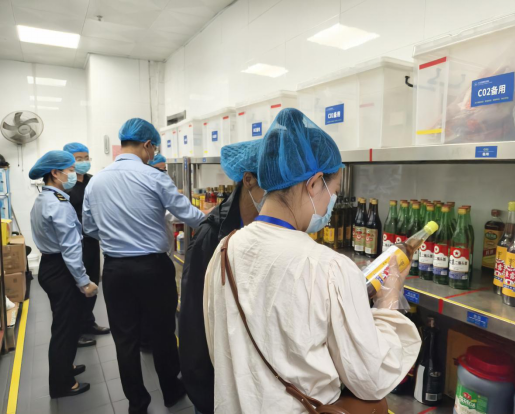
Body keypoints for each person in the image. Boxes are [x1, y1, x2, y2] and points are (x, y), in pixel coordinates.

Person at [203, 109, 421, 413]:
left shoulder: (224, 251)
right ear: (315, 183)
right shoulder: (329, 267)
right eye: (334, 191)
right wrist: (389, 298)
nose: (332, 202)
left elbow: (222, 351)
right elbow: (371, 377)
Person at [83, 118, 205, 414]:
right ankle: (171, 391)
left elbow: (89, 228)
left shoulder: (96, 181)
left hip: (115, 270)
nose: (153, 155)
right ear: (148, 145)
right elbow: (189, 215)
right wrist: (216, 219)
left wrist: (116, 237)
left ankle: (137, 403)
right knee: (163, 332)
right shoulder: (154, 177)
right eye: (154, 149)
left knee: (125, 339)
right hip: (153, 269)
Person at [179, 139, 265, 414]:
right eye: (274, 184)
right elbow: (194, 318)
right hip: (216, 376)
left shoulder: (270, 228)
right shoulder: (211, 236)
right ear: (248, 179)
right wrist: (202, 390)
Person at [29, 151, 99, 399]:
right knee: (65, 329)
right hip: (61, 269)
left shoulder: (44, 198)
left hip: (51, 265)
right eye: (70, 170)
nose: (73, 174)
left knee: (65, 324)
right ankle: (62, 384)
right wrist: (84, 282)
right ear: (55, 173)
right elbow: (70, 248)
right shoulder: (58, 204)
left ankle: (65, 366)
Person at [63, 142, 110, 347]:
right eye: (78, 159)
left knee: (92, 281)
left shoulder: (92, 181)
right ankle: (75, 332)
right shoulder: (66, 184)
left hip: (92, 240)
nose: (84, 162)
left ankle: (88, 322)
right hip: (74, 242)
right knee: (77, 287)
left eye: (86, 157)